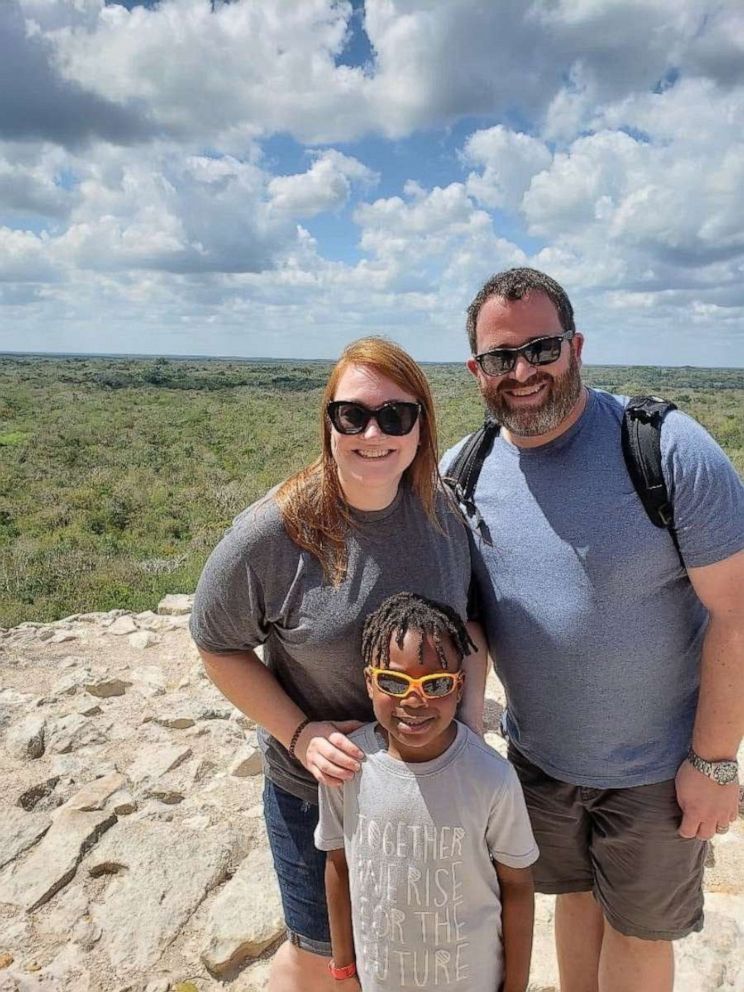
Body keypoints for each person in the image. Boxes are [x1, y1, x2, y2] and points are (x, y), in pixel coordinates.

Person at [442, 267, 744, 992]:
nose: (523, 373)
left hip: (657, 772)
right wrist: (464, 751)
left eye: (542, 350)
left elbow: (736, 611)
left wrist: (715, 764)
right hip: (541, 760)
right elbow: (473, 622)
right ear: (475, 369)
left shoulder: (666, 451)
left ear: (576, 346)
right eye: (501, 358)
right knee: (573, 902)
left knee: (640, 934)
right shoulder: (466, 470)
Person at [190, 337, 488, 992]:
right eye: (352, 415)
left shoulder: (443, 516)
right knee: (325, 956)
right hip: (317, 794)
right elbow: (217, 641)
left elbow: (466, 621)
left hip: (425, 787)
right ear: (328, 423)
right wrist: (299, 732)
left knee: (398, 945)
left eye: (396, 416)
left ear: (421, 427)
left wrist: (466, 736)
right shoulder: (276, 532)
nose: (373, 433)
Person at [316, 592, 537, 992]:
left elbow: (518, 887)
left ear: (460, 686)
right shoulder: (348, 766)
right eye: (393, 682)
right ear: (369, 683)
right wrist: (343, 971)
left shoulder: (492, 778)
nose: (413, 700)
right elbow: (338, 865)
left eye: (435, 683)